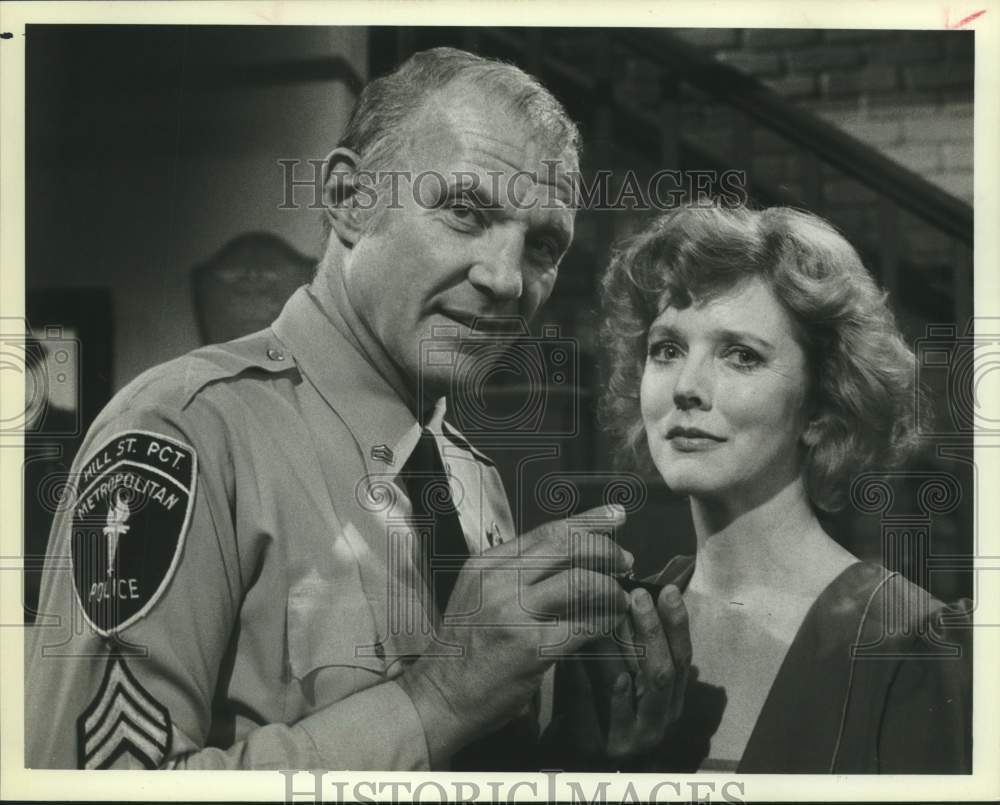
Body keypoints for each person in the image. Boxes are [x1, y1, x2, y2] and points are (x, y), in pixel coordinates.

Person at [25, 47, 690, 771]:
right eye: (465, 210)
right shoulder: (178, 433)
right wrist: (436, 698)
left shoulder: (470, 475)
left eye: (543, 245)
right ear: (349, 198)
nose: (506, 278)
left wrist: (580, 749)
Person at [598, 204, 972, 773]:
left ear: (821, 408)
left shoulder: (912, 647)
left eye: (740, 356)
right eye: (667, 349)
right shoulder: (614, 630)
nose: (687, 388)